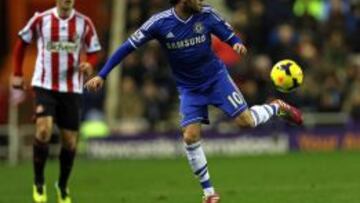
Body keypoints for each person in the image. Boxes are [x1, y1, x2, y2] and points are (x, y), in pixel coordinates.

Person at [85, 0, 303, 202]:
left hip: (216, 79)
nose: (200, 0)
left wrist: (235, 43)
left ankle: (276, 107)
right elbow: (126, 47)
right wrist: (102, 74)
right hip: (189, 89)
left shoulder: (206, 14)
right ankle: (209, 193)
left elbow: (227, 33)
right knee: (190, 136)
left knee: (245, 122)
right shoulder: (159, 23)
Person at [12, 0, 101, 202]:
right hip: (44, 84)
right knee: (43, 129)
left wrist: (90, 64)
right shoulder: (40, 19)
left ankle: (62, 186)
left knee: (70, 141)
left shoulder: (84, 22)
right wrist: (17, 73)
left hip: (71, 89)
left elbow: (94, 50)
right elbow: (21, 43)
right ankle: (39, 182)